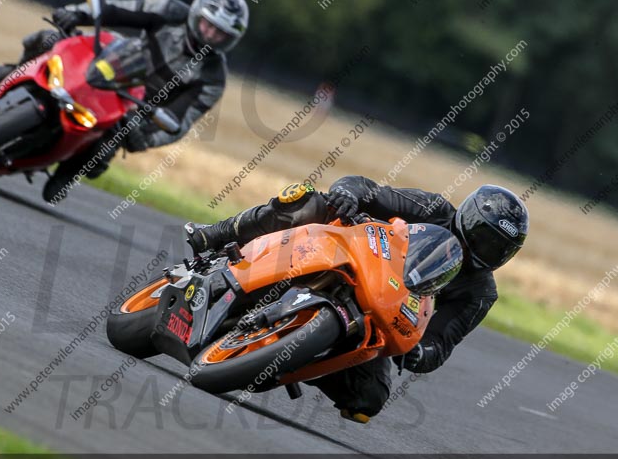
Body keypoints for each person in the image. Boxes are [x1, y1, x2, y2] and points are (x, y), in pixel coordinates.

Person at [185, 178, 529, 423]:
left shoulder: (480, 293)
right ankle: (216, 234)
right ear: (468, 217)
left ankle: (293, 358)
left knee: (369, 400)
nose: (482, 250)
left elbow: (440, 344)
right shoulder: (432, 207)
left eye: (496, 249)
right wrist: (348, 195)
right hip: (346, 253)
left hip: (376, 315)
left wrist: (419, 352)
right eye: (482, 237)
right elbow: (369, 189)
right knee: (308, 199)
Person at [0, 0, 248, 202]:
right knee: (49, 39)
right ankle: (13, 72)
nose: (210, 34)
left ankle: (69, 170)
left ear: (230, 40)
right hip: (115, 63)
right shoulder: (168, 9)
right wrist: (77, 14)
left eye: (220, 34)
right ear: (197, 15)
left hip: (133, 108)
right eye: (208, 25)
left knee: (105, 148)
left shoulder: (213, 78)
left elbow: (180, 121)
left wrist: (145, 138)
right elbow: (117, 9)